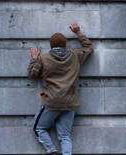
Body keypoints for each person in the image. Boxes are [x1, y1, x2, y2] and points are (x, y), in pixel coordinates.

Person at [28, 22, 93, 155]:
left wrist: (34, 59)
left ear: (51, 45)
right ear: (65, 45)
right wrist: (78, 32)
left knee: (39, 128)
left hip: (52, 102)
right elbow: (89, 48)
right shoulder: (75, 55)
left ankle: (52, 152)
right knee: (65, 136)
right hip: (70, 102)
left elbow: (33, 74)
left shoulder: (44, 58)